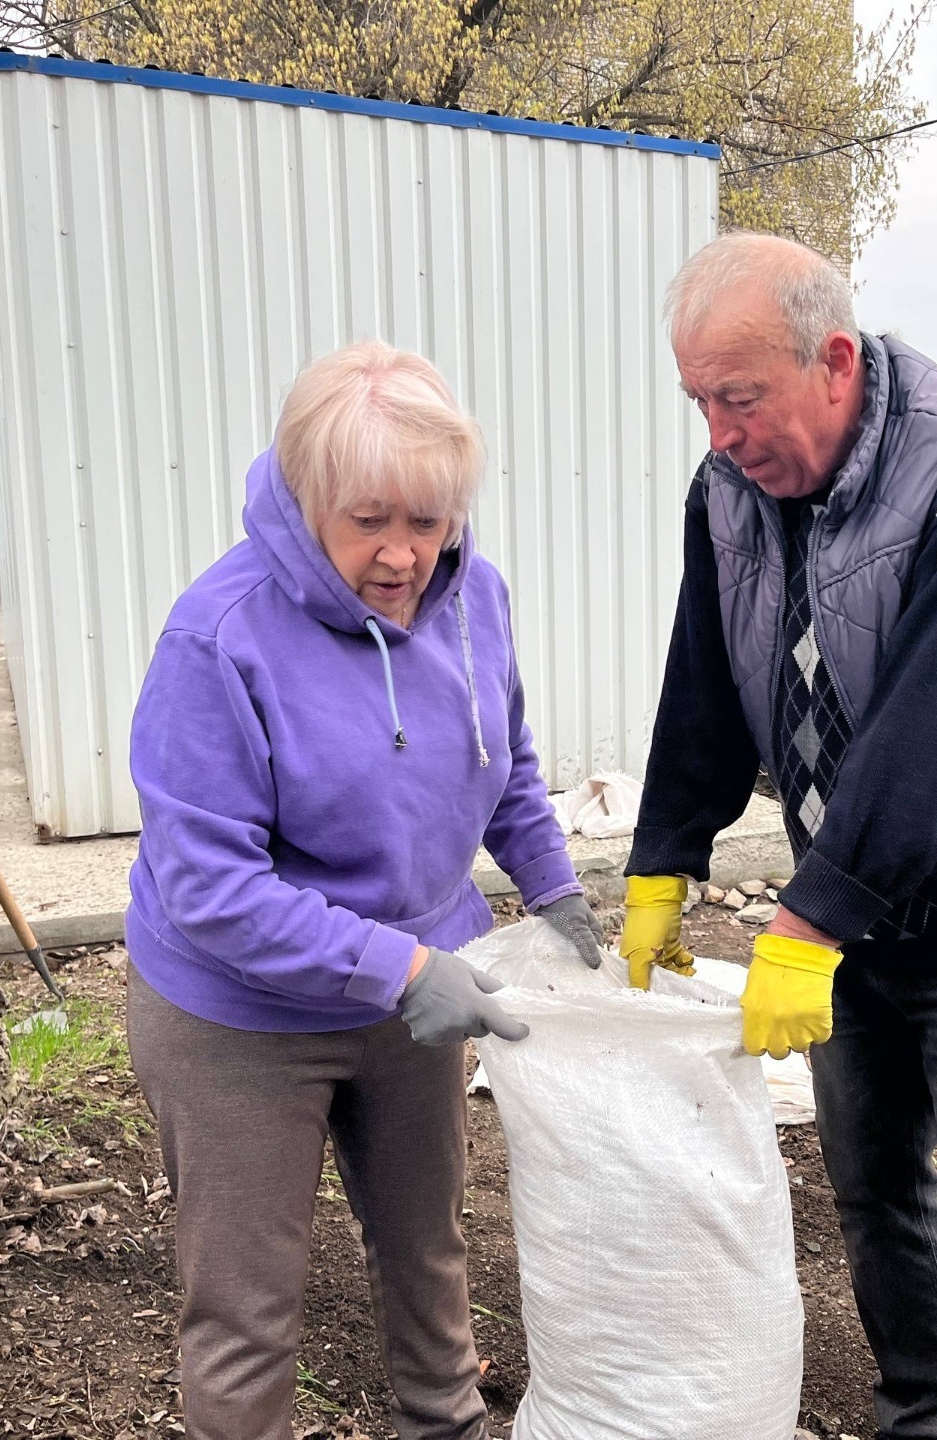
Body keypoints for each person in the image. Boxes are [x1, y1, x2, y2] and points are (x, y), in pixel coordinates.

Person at [621, 234, 937, 1440]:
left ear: (832, 360)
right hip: (850, 912)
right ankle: (921, 1418)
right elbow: (705, 684)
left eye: (740, 400)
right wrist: (661, 861)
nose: (720, 435)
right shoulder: (728, 489)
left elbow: (933, 725)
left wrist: (805, 925)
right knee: (874, 1193)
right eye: (699, 405)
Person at [125, 340, 600, 1440]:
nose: (402, 557)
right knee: (247, 1304)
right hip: (238, 1015)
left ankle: (446, 1423)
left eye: (427, 522)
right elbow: (209, 886)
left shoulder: (475, 594)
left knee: (428, 1247)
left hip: (418, 983)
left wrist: (552, 883)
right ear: (305, 500)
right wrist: (398, 966)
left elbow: (505, 757)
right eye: (370, 520)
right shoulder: (219, 638)